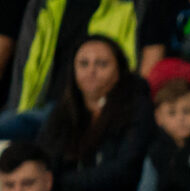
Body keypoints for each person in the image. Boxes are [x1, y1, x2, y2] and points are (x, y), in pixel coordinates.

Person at [39, 34, 153, 191]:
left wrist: (64, 181)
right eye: (83, 64)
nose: (91, 71)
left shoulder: (137, 108)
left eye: (101, 64)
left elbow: (125, 170)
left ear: (120, 69)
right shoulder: (61, 112)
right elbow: (44, 161)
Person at [1, 0, 139, 141]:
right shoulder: (46, 4)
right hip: (35, 105)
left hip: (92, 110)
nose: (91, 70)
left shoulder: (126, 6)